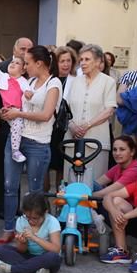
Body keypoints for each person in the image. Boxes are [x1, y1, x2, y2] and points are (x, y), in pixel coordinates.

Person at [0, 45, 62, 244]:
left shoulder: (54, 84)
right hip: (17, 138)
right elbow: (17, 103)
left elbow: (46, 115)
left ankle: (37, 233)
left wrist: (18, 114)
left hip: (38, 143)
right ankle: (9, 228)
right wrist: (7, 112)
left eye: (28, 62)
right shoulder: (29, 81)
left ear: (39, 63)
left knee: (35, 190)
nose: (25, 66)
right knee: (9, 186)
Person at [0, 37, 33, 219]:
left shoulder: (32, 70)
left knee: (20, 168)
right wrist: (1, 112)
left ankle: (16, 207)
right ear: (14, 49)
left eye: (29, 48)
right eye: (22, 48)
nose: (25, 51)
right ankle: (1, 207)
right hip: (6, 124)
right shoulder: (4, 68)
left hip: (29, 124)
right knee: (3, 167)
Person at [65, 44, 117, 183]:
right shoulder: (75, 81)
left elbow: (109, 110)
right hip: (73, 139)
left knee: (93, 184)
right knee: (70, 182)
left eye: (87, 59)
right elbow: (67, 108)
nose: (82, 63)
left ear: (99, 61)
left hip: (96, 141)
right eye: (81, 59)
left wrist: (87, 125)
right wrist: (72, 126)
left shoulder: (108, 81)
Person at [0, 192, 61, 273]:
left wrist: (35, 238)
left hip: (45, 257)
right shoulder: (21, 221)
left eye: (35, 218)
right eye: (28, 217)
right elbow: (22, 250)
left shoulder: (52, 222)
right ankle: (36, 271)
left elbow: (56, 249)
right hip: (28, 256)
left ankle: (12, 270)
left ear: (45, 213)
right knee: (0, 249)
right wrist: (22, 242)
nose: (31, 221)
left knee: (53, 257)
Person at [100, 152, 137, 273]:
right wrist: (114, 212)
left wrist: (125, 217)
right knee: (116, 201)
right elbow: (108, 196)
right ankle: (121, 251)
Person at [0, 40, 29, 162]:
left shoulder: (23, 80)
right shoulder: (3, 77)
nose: (13, 64)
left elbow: (28, 90)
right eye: (12, 62)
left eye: (17, 63)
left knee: (18, 127)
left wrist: (28, 93)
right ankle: (15, 151)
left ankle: (15, 150)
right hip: (5, 112)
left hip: (19, 112)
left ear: (22, 70)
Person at [45, 46, 78, 192]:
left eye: (68, 61)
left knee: (62, 166)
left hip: (66, 129)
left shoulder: (77, 80)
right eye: (62, 61)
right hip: (48, 127)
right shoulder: (49, 80)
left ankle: (61, 200)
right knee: (45, 165)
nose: (66, 64)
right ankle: (44, 200)